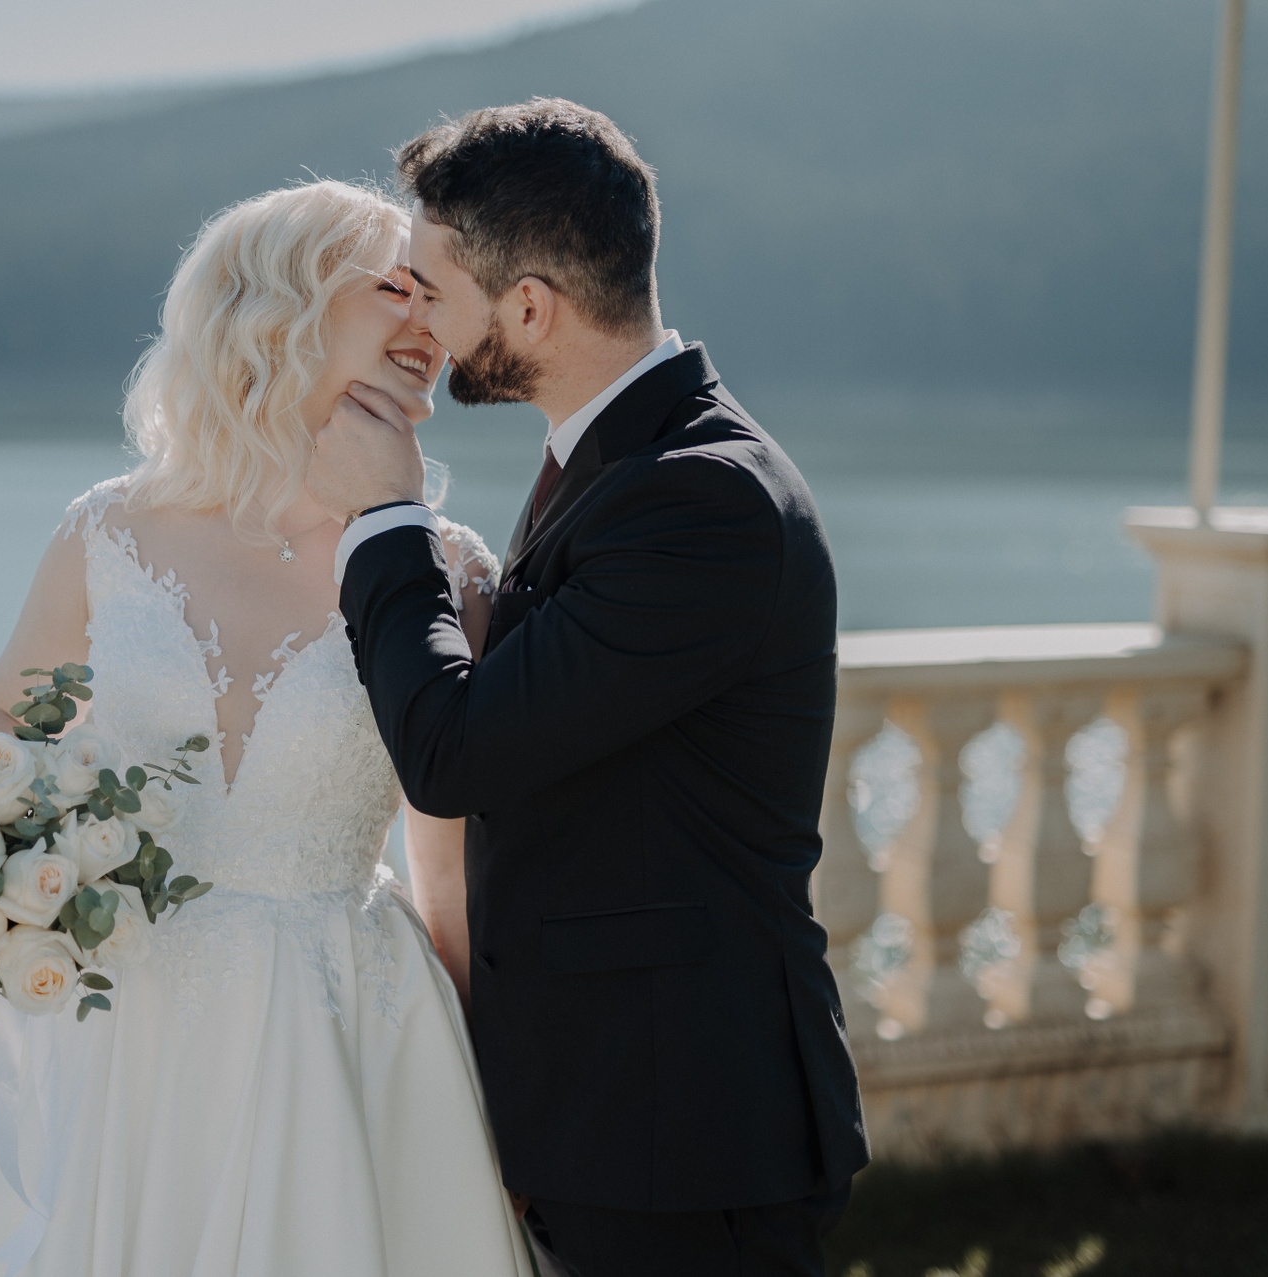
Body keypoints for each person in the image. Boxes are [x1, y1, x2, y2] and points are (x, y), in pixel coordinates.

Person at [0, 180, 536, 1277]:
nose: (431, 324)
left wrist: (488, 1065)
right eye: (396, 290)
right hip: (123, 1015)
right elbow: (3, 709)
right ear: (283, 308)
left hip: (344, 1016)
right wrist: (19, 862)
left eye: (433, 298)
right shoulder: (110, 530)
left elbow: (448, 856)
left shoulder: (446, 570)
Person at [307, 98, 871, 1277]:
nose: (419, 318)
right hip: (612, 1107)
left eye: (431, 287)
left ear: (528, 307)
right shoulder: (617, 463)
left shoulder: (700, 498)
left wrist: (385, 515)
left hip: (683, 1126)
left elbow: (453, 753)